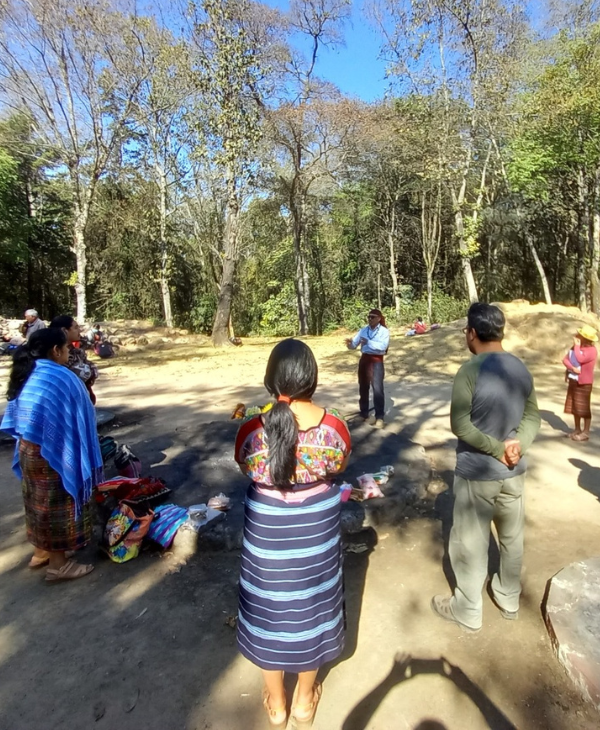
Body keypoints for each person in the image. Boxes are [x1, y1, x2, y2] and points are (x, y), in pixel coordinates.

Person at [234, 339, 351, 729]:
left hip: (266, 528)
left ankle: (277, 702)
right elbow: (340, 462)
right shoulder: (334, 427)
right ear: (312, 379)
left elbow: (244, 464)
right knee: (314, 602)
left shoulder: (253, 429)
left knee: (270, 605)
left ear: (271, 380)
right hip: (317, 528)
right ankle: (304, 701)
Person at [431, 303, 540, 632]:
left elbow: (460, 426)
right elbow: (532, 417)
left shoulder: (470, 370)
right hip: (514, 472)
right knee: (511, 538)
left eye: (467, 330)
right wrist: (516, 447)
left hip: (476, 473)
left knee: (469, 541)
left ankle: (467, 608)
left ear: (472, 333)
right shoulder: (520, 368)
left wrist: (495, 449)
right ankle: (508, 597)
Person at [0, 328, 104, 581]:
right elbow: (79, 415)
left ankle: (41, 552)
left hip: (29, 449)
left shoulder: (27, 372)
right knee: (59, 507)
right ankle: (59, 566)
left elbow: (17, 415)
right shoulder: (60, 377)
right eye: (66, 348)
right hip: (53, 453)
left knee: (38, 505)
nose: (68, 352)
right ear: (56, 350)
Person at [345, 308, 390, 428]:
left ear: (379, 319)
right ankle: (364, 413)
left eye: (372, 317)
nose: (370, 319)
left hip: (376, 361)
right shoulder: (363, 330)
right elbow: (354, 345)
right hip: (364, 360)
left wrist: (368, 342)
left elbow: (383, 347)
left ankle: (379, 416)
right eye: (368, 317)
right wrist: (350, 344)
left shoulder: (384, 331)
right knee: (363, 387)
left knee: (378, 389)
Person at [50, 315, 99, 404]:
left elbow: (91, 370)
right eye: (76, 328)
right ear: (64, 330)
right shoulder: (54, 354)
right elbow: (84, 373)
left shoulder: (76, 350)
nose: (79, 331)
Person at [563, 325, 598, 442]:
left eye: (579, 335)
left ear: (584, 338)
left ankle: (586, 432)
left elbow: (580, 359)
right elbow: (565, 359)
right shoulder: (575, 348)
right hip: (574, 380)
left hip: (584, 383)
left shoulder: (592, 350)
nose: (576, 336)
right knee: (574, 406)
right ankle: (577, 429)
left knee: (584, 408)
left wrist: (577, 347)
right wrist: (572, 368)